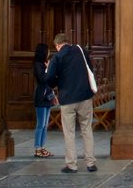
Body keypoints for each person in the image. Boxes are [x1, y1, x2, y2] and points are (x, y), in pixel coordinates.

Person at [45, 33, 97, 173]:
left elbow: (49, 78)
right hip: (85, 96)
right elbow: (90, 69)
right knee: (87, 129)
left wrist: (57, 83)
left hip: (67, 98)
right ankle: (91, 163)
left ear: (57, 45)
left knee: (69, 133)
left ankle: (72, 165)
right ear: (68, 42)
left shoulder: (57, 57)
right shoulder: (81, 51)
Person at [32, 43, 56, 158]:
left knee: (46, 124)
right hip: (41, 96)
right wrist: (47, 69)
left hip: (48, 95)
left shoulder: (44, 64)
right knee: (40, 124)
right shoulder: (38, 65)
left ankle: (42, 147)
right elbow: (42, 79)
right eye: (47, 51)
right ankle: (37, 148)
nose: (49, 53)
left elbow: (51, 81)